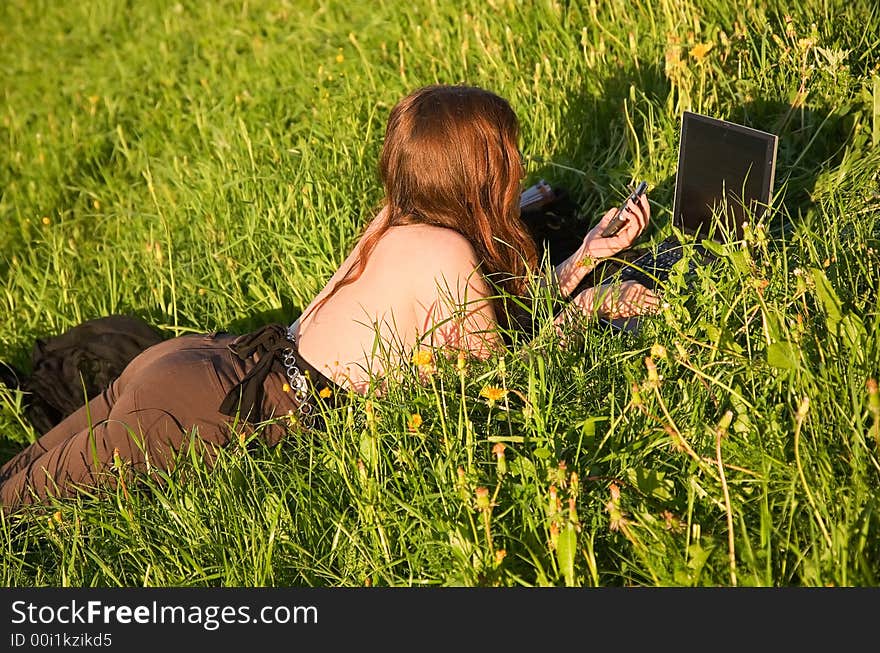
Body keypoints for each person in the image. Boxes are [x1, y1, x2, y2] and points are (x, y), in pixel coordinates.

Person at [0, 84, 658, 513]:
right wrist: (587, 308)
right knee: (16, 518)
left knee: (16, 483)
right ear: (481, 168)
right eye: (508, 153)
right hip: (219, 413)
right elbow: (504, 379)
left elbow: (480, 325)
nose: (518, 163)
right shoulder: (446, 254)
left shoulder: (394, 217)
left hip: (200, 367)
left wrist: (582, 259)